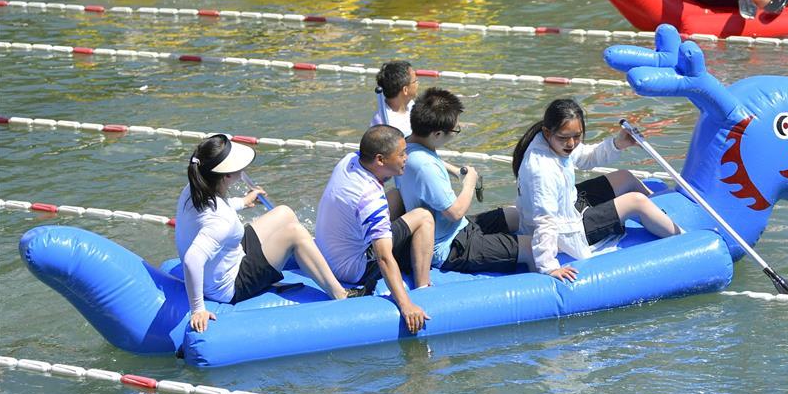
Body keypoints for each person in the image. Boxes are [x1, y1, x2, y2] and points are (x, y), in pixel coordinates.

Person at [176, 134, 348, 333]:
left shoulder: (195, 186)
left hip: (229, 256)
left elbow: (216, 209)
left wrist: (243, 202)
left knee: (284, 213)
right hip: (231, 285)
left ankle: (313, 260)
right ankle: (340, 294)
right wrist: (198, 309)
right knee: (295, 233)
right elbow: (192, 260)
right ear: (227, 176)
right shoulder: (220, 222)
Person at [512, 99, 683, 281]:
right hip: (565, 232)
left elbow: (586, 157)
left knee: (625, 177)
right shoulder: (542, 170)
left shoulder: (555, 140)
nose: (571, 143)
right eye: (564, 138)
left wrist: (619, 143)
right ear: (547, 132)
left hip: (570, 206)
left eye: (577, 136)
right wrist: (548, 266)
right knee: (636, 201)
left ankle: (660, 212)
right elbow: (545, 221)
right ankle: (685, 239)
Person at [314, 125, 434, 333]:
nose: (406, 158)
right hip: (352, 269)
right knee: (424, 217)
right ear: (380, 160)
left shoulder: (349, 161)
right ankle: (424, 288)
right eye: (401, 154)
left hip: (325, 255)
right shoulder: (370, 198)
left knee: (395, 196)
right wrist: (406, 305)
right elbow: (383, 257)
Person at [401, 88, 532, 274]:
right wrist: (469, 183)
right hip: (449, 246)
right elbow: (455, 213)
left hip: (456, 228)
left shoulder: (406, 144)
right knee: (532, 247)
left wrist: (454, 170)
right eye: (456, 129)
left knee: (517, 214)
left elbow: (426, 160)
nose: (457, 131)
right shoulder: (426, 167)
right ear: (437, 134)